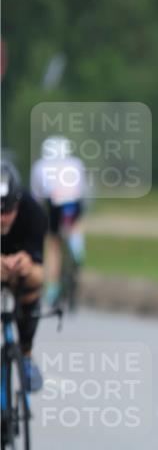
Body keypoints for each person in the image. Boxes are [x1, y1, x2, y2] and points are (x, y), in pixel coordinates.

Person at [0, 159, 47, 390]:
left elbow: (37, 262)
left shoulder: (33, 212)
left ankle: (26, 353)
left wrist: (25, 262)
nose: (2, 218)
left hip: (19, 274)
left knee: (35, 278)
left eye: (7, 211)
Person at [30, 135, 87, 305]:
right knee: (76, 226)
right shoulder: (76, 164)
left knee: (53, 243)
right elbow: (82, 189)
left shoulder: (40, 166)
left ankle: (53, 286)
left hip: (54, 204)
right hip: (73, 203)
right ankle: (77, 246)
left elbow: (36, 196)